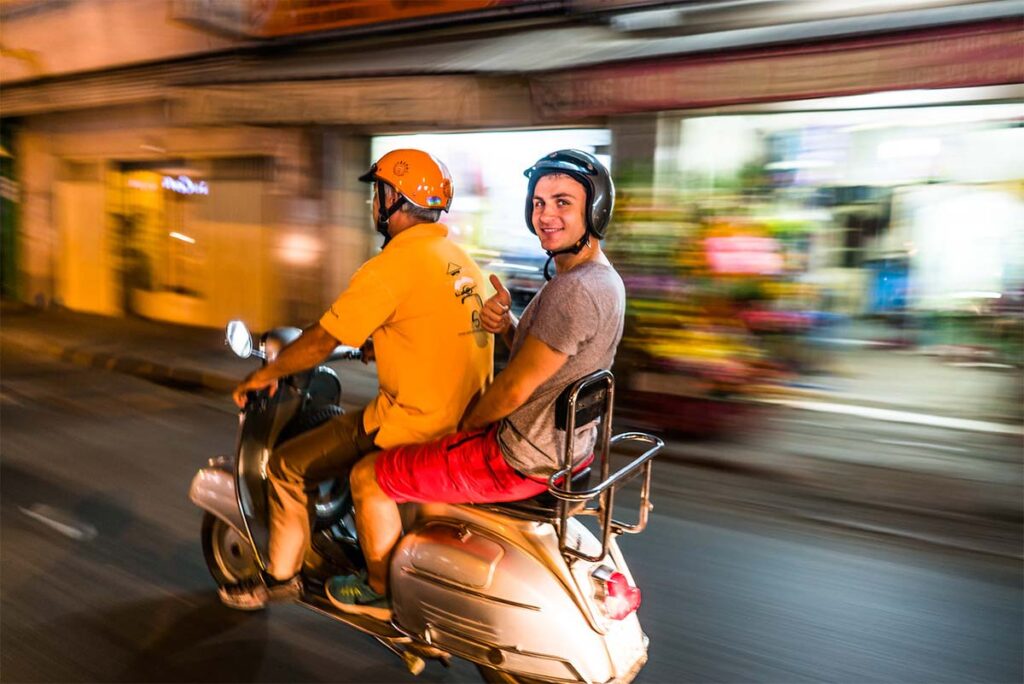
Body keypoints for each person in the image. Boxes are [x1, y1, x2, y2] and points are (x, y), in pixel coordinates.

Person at [326, 149, 625, 620]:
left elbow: (511, 392)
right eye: (539, 202)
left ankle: (380, 591)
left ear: (594, 210)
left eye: (563, 202)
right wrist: (507, 326)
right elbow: (555, 359)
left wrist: (457, 431)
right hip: (566, 452)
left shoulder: (574, 290)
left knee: (370, 477)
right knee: (418, 468)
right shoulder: (602, 280)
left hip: (517, 459)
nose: (546, 215)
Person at [220, 149, 492, 609]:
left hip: (413, 421)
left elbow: (321, 340)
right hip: (464, 417)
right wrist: (379, 343)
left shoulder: (391, 266)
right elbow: (434, 327)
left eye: (377, 192)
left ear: (394, 199)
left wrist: (265, 373)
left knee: (286, 466)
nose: (373, 203)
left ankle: (282, 579)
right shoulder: (461, 262)